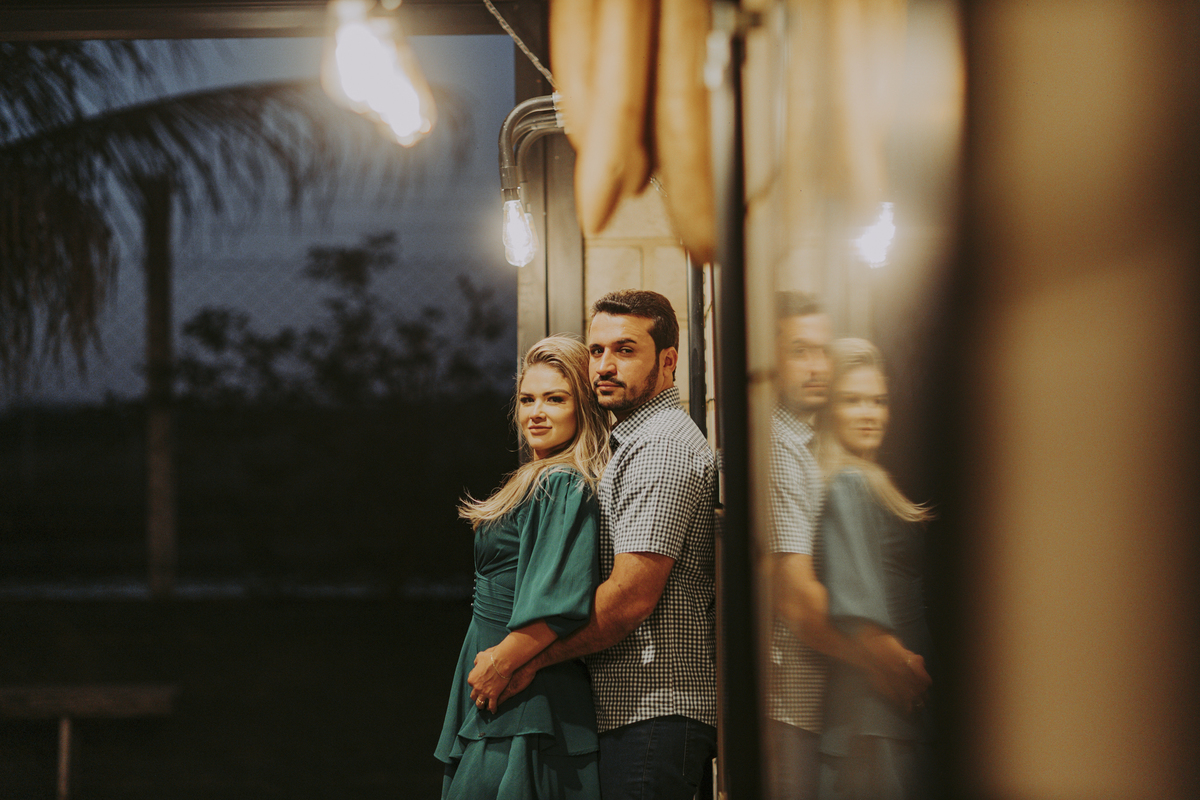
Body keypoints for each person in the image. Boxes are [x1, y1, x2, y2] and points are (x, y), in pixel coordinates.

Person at [492, 289, 718, 800]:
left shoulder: (659, 447)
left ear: (668, 361)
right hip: (635, 711)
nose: (605, 365)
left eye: (625, 349)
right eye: (597, 351)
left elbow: (628, 599)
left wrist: (524, 661)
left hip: (655, 711)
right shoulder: (631, 443)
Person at [765, 295, 930, 800]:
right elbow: (804, 600)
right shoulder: (791, 455)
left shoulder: (820, 458)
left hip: (842, 702)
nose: (816, 367)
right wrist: (892, 664)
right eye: (800, 350)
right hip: (838, 706)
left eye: (877, 400)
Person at [436, 336, 611, 800]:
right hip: (505, 680)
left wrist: (502, 663)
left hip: (525, 688)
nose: (536, 412)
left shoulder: (562, 482)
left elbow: (559, 603)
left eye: (555, 398)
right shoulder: (538, 477)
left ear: (583, 409)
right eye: (527, 398)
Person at [813, 338, 934, 800]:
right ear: (829, 409)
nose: (870, 413)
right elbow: (857, 606)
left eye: (878, 400)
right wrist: (907, 671)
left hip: (883, 715)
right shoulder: (848, 483)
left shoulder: (864, 478)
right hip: (877, 716)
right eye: (852, 400)